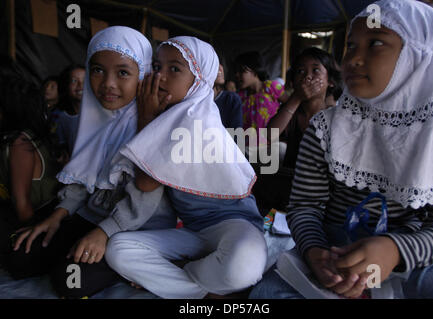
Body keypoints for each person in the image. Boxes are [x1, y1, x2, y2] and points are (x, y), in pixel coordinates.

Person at [250, 0, 433, 299]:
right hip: (332, 247)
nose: (354, 59)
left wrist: (395, 251)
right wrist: (315, 252)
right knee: (267, 294)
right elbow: (306, 206)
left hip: (410, 253)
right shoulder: (326, 128)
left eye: (376, 43)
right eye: (351, 46)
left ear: (417, 56)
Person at [6, 26, 176, 298]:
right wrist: (57, 216)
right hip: (91, 215)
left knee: (69, 281)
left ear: (143, 75)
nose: (107, 83)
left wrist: (104, 233)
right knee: (19, 256)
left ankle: (136, 262)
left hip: (133, 226)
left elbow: (145, 202)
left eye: (122, 72)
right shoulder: (96, 118)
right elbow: (82, 177)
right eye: (97, 70)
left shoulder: (155, 124)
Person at [105, 36, 267, 299]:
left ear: (199, 80)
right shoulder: (167, 117)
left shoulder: (195, 120)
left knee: (243, 265)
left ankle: (186, 274)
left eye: (174, 69)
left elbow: (147, 183)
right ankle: (207, 292)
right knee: (118, 249)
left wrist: (147, 118)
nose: (160, 77)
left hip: (234, 226)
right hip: (193, 231)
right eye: (157, 67)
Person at [0, 76, 61, 264]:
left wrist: (28, 234)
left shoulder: (20, 143)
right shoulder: (13, 138)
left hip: (37, 216)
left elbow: (23, 204)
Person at [268, 47, 341, 169]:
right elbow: (269, 136)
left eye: (316, 70)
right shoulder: (291, 112)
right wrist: (297, 97)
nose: (307, 76)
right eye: (300, 71)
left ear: (331, 81)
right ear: (292, 81)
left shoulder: (334, 116)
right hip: (290, 179)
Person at [234, 51, 289, 132]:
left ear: (255, 71)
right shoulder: (239, 96)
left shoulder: (271, 87)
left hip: (270, 142)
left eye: (241, 71)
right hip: (244, 143)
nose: (237, 75)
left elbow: (289, 106)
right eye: (236, 71)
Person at [54, 65, 86, 157]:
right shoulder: (62, 118)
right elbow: (62, 147)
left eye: (84, 81)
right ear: (66, 86)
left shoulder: (103, 114)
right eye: (74, 81)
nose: (80, 85)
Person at [214, 63, 243, 130]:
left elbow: (237, 137)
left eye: (220, 63)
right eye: (212, 62)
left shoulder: (231, 99)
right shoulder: (194, 102)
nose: (220, 68)